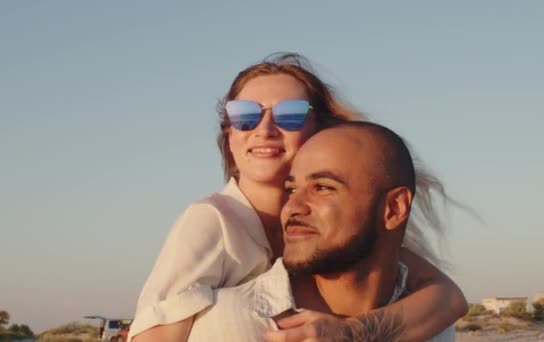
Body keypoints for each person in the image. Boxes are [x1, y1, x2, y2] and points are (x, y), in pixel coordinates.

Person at [129, 53, 467, 341]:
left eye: (289, 114)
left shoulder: (333, 227)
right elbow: (155, 333)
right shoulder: (213, 219)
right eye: (244, 115)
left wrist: (350, 333)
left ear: (319, 132)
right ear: (229, 135)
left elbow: (448, 298)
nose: (264, 129)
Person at [185, 122, 456, 342]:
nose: (292, 207)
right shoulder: (231, 325)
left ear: (394, 208)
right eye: (291, 190)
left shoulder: (434, 328)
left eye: (323, 187)